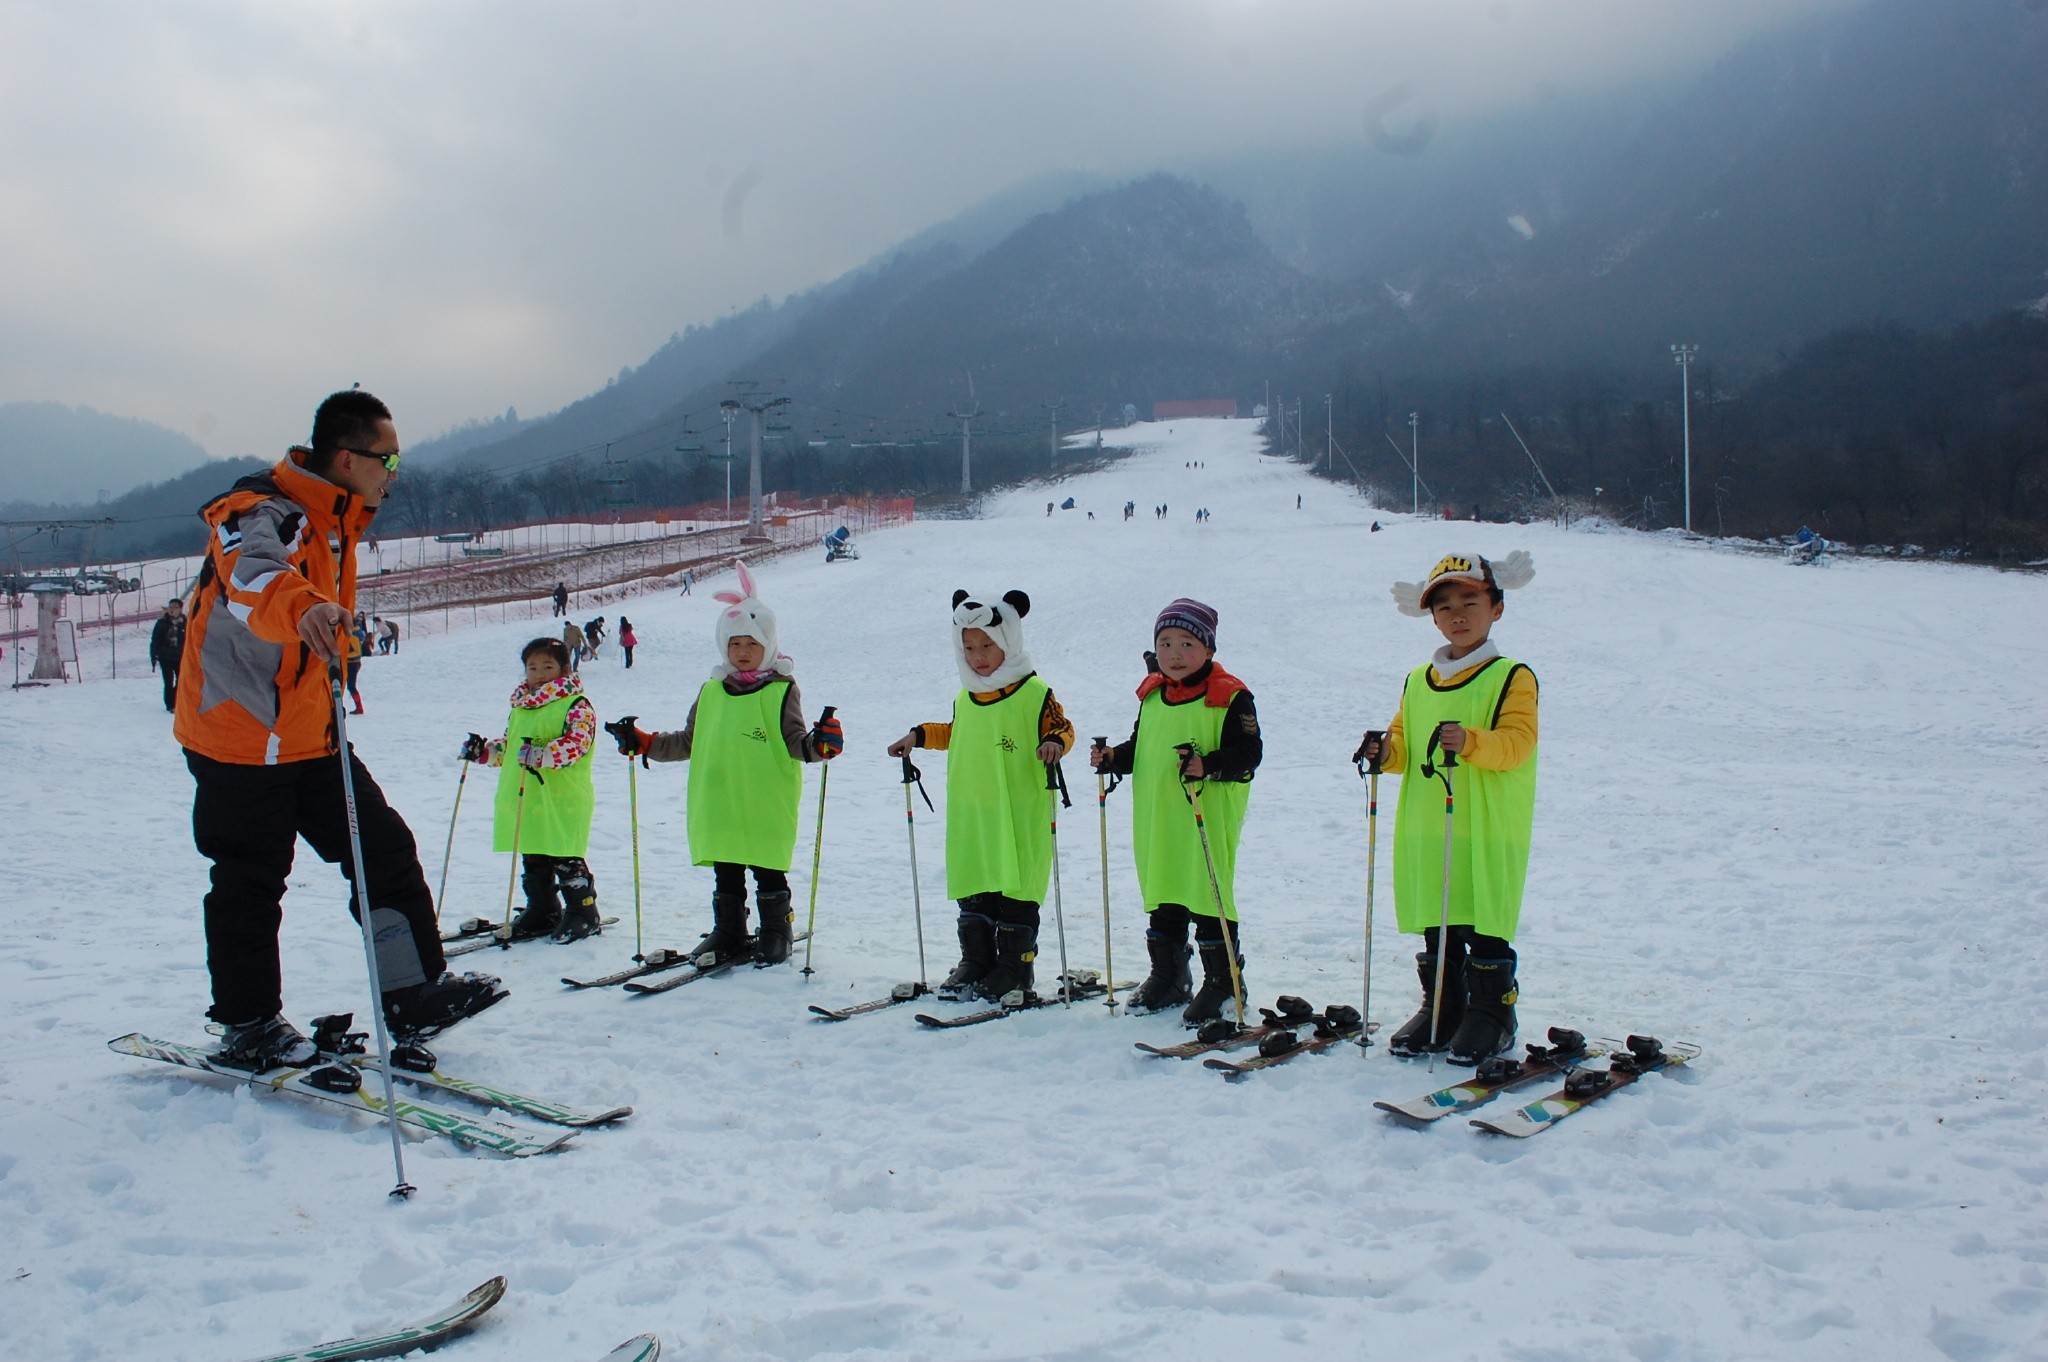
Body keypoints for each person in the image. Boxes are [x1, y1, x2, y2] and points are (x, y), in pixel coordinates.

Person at [172, 389, 505, 1069]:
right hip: (239, 738)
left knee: (381, 849)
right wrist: (303, 611)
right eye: (390, 458)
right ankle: (248, 1024)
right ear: (348, 457)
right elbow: (254, 579)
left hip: (310, 738)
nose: (395, 472)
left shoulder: (336, 520)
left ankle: (412, 992)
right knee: (250, 878)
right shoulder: (260, 511)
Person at [1356, 551, 1538, 1065]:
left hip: (1485, 823)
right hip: (1429, 824)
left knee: (1482, 916)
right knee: (1440, 918)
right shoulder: (1418, 680)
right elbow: (1404, 743)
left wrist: (1472, 741)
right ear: (1431, 617)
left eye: (1470, 602)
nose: (1458, 615)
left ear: (1496, 608)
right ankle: (1442, 1006)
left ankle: (1493, 1013)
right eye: (1445, 607)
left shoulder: (1510, 676)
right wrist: (1383, 752)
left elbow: (1518, 744)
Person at [609, 562, 839, 965]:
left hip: (764, 798)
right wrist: (645, 744)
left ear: (767, 644)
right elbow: (688, 741)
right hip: (718, 797)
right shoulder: (712, 690)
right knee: (727, 868)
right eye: (734, 645)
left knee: (767, 868)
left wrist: (821, 745)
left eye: (751, 644)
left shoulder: (782, 690)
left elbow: (795, 743)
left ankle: (775, 930)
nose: (742, 652)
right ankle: (729, 929)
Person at [887, 589, 1074, 1002]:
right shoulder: (966, 696)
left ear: (1008, 640)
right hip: (974, 809)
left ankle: (1014, 968)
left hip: (1018, 808)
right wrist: (918, 736)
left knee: (1016, 885)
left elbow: (1062, 727)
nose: (978, 656)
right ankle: (977, 961)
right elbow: (957, 733)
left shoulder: (1033, 691)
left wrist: (1055, 744)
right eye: (969, 647)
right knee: (977, 883)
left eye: (988, 645)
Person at [1092, 599, 1261, 1025]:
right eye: (1165, 643)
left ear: (1208, 649)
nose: (1174, 654)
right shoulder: (1152, 695)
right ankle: (1169, 976)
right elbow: (1143, 747)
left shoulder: (1231, 696)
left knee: (1206, 894)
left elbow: (1250, 753)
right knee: (1164, 894)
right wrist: (1114, 757)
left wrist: (1212, 764)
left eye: (1187, 643)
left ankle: (1224, 983)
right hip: (1157, 816)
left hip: (1206, 814)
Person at [461, 638, 603, 943]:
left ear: (564, 669)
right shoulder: (521, 708)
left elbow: (577, 744)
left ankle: (583, 911)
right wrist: (484, 753)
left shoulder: (576, 705)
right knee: (534, 854)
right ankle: (543, 908)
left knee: (564, 854)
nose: (539, 674)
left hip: (560, 797)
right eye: (532, 667)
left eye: (547, 666)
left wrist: (545, 754)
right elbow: (510, 748)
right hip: (525, 795)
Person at [148, 598, 186, 712]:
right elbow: (155, 640)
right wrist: (153, 655)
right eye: (170, 607)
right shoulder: (162, 623)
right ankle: (170, 705)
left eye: (175, 607)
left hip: (180, 657)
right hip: (165, 657)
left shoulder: (186, 622)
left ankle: (177, 701)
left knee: (181, 680)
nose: (172, 610)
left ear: (180, 609)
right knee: (168, 681)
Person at [344, 619, 366, 715]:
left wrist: (343, 656)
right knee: (350, 686)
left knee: (351, 686)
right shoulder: (352, 633)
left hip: (352, 663)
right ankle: (359, 707)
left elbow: (357, 652)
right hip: (351, 663)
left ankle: (359, 708)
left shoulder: (353, 635)